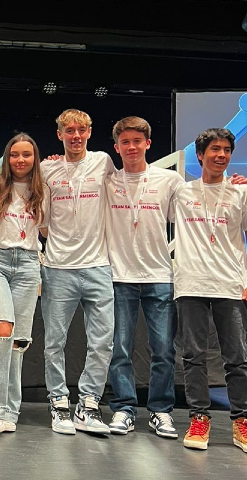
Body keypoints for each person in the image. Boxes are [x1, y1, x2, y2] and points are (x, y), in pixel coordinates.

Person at [103, 117, 182, 438]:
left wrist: (230, 185)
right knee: (119, 348)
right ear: (117, 147)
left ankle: (161, 411)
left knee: (163, 350)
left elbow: (195, 209)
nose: (132, 147)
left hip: (160, 275)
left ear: (148, 143)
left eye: (138, 141)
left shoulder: (169, 180)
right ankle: (123, 408)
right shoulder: (106, 181)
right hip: (118, 276)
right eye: (126, 142)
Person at [40, 108, 115, 435]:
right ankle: (58, 403)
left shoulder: (103, 162)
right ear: (59, 134)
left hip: (98, 266)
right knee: (55, 341)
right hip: (58, 268)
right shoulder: (47, 168)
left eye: (81, 130)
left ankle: (89, 405)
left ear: (89, 132)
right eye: (69, 131)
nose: (75, 136)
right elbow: (42, 223)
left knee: (102, 342)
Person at [172, 128, 247, 453]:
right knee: (194, 357)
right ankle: (199, 418)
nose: (222, 155)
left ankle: (241, 422)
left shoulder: (241, 193)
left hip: (230, 284)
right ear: (200, 155)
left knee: (238, 359)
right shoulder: (181, 192)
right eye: (215, 149)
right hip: (191, 283)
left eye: (227, 150)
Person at [0, 133, 47, 435]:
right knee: (0, 328)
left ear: (34, 158)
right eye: (14, 154)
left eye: (26, 154)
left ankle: (9, 408)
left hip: (28, 263)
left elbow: (51, 226)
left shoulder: (43, 189)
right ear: (7, 157)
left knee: (18, 341)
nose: (20, 160)